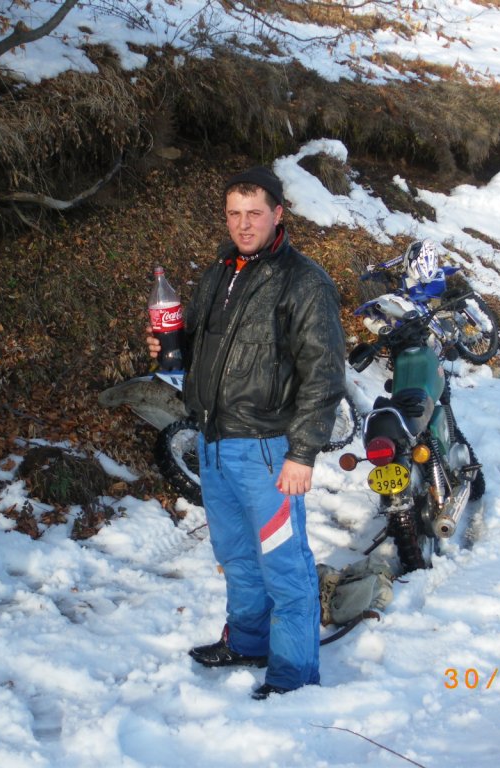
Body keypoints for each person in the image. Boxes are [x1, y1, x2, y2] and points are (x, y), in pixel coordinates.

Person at [146, 165, 346, 699]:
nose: (243, 224)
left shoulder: (304, 281)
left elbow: (324, 373)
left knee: (284, 564)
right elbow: (198, 343)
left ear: (278, 213)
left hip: (267, 450)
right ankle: (249, 641)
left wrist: (303, 452)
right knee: (236, 556)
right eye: (234, 213)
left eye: (254, 213)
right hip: (213, 442)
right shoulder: (220, 272)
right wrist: (170, 347)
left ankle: (293, 673)